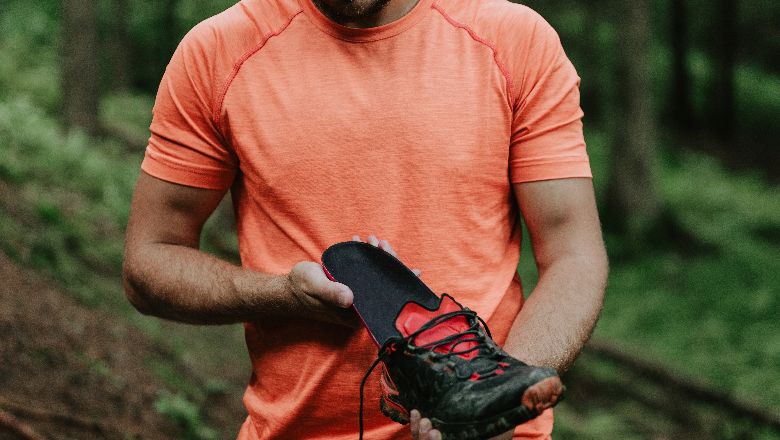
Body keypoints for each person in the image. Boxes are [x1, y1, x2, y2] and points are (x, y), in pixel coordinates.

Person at [122, 0, 609, 438]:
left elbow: (574, 254)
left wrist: (495, 401)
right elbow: (150, 258)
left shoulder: (514, 41)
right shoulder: (218, 52)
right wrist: (282, 296)